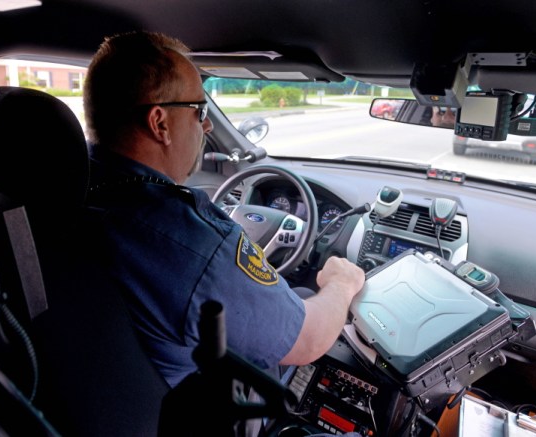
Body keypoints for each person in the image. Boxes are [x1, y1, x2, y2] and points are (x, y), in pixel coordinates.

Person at [82, 30, 366, 389]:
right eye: (199, 110)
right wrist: (342, 283)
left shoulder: (59, 195)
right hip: (184, 416)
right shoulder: (192, 245)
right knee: (311, 301)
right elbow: (308, 340)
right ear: (160, 123)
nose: (208, 125)